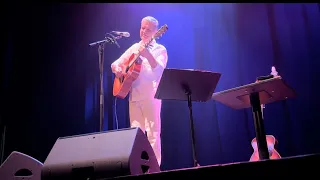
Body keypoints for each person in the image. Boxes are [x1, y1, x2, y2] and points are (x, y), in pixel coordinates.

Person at [111, 16, 168, 166]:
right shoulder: (135, 47)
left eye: (148, 29)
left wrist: (147, 55)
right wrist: (117, 69)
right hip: (134, 96)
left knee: (153, 134)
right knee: (136, 134)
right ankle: (138, 167)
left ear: (156, 32)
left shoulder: (160, 49)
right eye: (142, 28)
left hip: (151, 96)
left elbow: (159, 71)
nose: (144, 31)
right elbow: (115, 63)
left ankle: (154, 167)